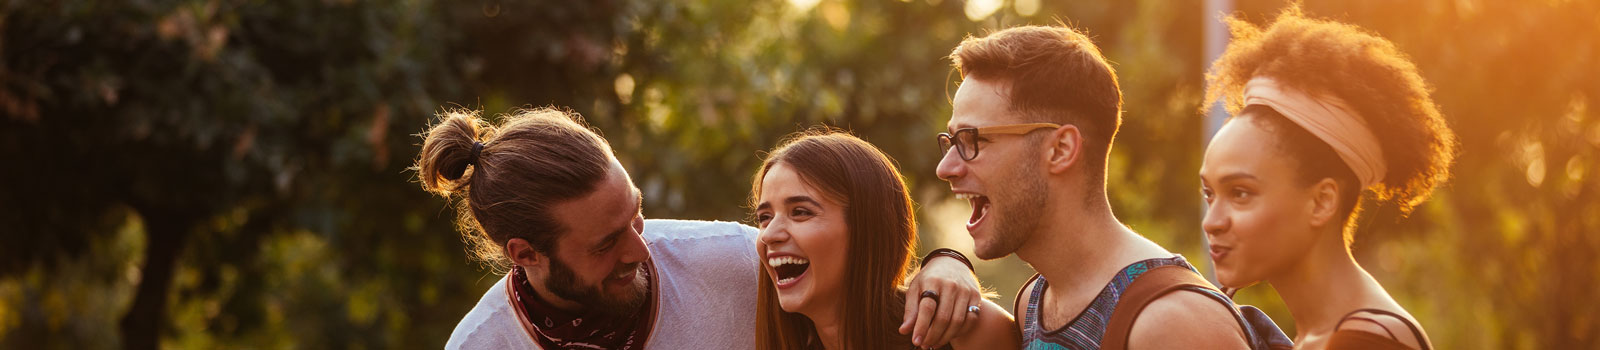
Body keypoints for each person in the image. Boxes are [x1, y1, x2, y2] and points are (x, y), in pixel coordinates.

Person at [414, 107, 984, 349]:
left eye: (635, 214)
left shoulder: (729, 263)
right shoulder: (481, 344)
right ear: (526, 254)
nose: (642, 248)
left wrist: (947, 260)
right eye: (607, 242)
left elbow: (865, 279)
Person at [936, 25, 1268, 349]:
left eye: (972, 140)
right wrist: (944, 263)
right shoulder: (1036, 301)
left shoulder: (1171, 324)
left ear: (1061, 149)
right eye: (951, 141)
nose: (945, 167)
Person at [1199, 7, 1454, 350]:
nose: (1211, 222)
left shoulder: (1370, 340)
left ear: (1321, 202)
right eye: (1209, 194)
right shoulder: (1319, 338)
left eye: (1241, 193)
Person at [752, 130, 1020, 350]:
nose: (769, 234)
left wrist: (949, 259)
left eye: (800, 212)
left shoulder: (963, 330)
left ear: (867, 225)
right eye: (764, 217)